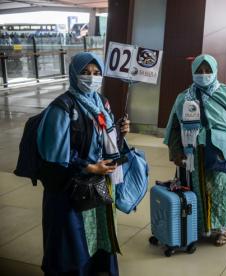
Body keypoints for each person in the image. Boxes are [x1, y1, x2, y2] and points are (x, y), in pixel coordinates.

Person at [37, 52, 130, 275]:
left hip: (99, 184)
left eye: (97, 73)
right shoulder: (62, 108)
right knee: (73, 242)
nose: (92, 77)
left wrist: (119, 132)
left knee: (98, 236)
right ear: (74, 74)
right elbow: (53, 155)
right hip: (71, 188)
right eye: (85, 73)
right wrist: (88, 167)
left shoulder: (101, 102)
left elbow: (103, 141)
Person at [164, 54, 226, 246]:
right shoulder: (183, 98)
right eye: (199, 71)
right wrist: (176, 152)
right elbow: (175, 128)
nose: (203, 74)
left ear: (215, 71)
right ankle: (198, 226)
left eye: (207, 70)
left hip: (221, 151)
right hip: (192, 152)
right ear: (193, 72)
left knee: (219, 189)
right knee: (194, 188)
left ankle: (223, 229)